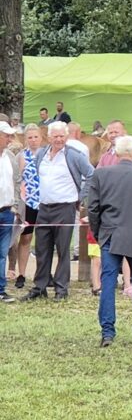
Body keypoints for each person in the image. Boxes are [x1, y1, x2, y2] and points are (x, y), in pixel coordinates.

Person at [87, 136, 132, 346]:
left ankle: (108, 331)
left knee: (108, 282)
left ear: (117, 153)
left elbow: (92, 208)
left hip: (110, 234)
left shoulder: (101, 174)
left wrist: (99, 232)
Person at [22, 121, 94, 302]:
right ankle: (40, 287)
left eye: (62, 136)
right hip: (44, 207)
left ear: (67, 136)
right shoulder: (42, 154)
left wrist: (80, 197)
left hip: (65, 208)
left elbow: (92, 175)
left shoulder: (74, 156)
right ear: (49, 137)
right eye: (56, 136)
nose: (59, 139)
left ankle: (61, 289)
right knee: (41, 248)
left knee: (62, 249)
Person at [13, 124, 44, 289]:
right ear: (26, 139)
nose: (33, 140)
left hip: (45, 201)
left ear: (41, 137)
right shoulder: (20, 156)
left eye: (35, 137)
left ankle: (44, 272)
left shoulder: (47, 154)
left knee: (45, 239)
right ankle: (21, 273)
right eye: (30, 137)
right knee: (25, 238)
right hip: (28, 201)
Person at [0, 121, 21, 303]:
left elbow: (16, 182)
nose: (9, 139)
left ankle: (1, 289)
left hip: (7, 212)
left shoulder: (9, 158)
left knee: (2, 252)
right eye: (6, 135)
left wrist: (15, 205)